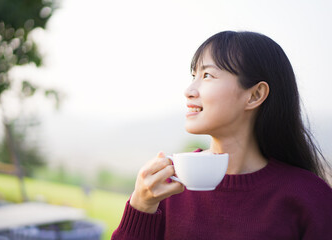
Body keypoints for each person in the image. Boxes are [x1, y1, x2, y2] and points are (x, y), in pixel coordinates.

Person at [111, 31, 332, 240]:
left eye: (207, 75)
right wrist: (140, 207)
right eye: (193, 75)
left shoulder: (311, 197)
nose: (189, 90)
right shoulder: (166, 186)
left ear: (255, 95)